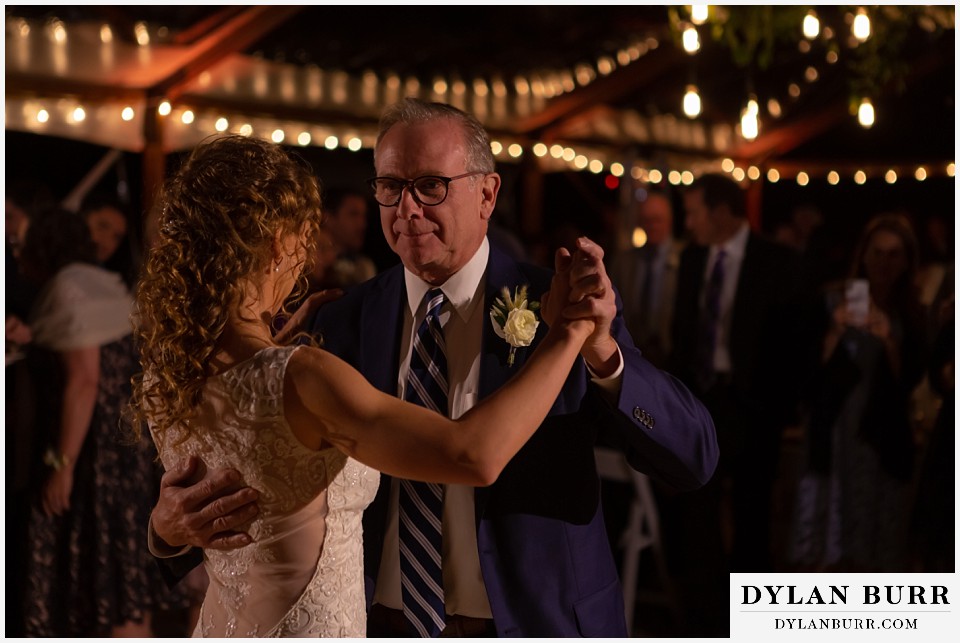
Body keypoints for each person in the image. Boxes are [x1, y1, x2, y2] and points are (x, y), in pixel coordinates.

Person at [150, 99, 718, 637]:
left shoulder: (561, 305)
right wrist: (165, 533)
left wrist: (603, 357)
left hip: (533, 621)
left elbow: (693, 456)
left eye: (430, 186)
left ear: (488, 194)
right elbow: (245, 473)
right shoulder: (340, 323)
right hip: (383, 624)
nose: (407, 209)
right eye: (391, 187)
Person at [17, 206, 190, 636]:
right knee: (123, 581)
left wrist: (62, 467)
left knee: (104, 588)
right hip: (128, 454)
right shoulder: (103, 283)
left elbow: (84, 382)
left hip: (94, 458)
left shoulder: (69, 287)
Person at [667, 173, 801, 634]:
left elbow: (790, 346)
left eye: (694, 212)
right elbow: (682, 334)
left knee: (752, 511)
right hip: (700, 400)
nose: (688, 223)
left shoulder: (776, 261)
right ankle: (701, 621)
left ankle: (753, 621)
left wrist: (777, 408)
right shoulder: (692, 259)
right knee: (696, 509)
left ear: (721, 212)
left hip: (751, 404)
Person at [790, 213, 928, 572]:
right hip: (833, 432)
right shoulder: (832, 300)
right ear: (863, 254)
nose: (884, 262)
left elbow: (912, 379)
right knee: (824, 539)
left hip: (881, 435)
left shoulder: (911, 311)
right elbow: (805, 372)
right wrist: (835, 332)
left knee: (878, 541)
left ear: (906, 260)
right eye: (877, 252)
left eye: (894, 254)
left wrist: (889, 341)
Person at [610, 190, 685, 368]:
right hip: (631, 356)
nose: (652, 226)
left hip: (673, 358)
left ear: (669, 221)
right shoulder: (624, 262)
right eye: (646, 220)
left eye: (657, 219)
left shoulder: (685, 260)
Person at [321, 186, 378, 287]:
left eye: (363, 216)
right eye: (353, 214)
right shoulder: (306, 262)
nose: (362, 224)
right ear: (328, 218)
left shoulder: (363, 267)